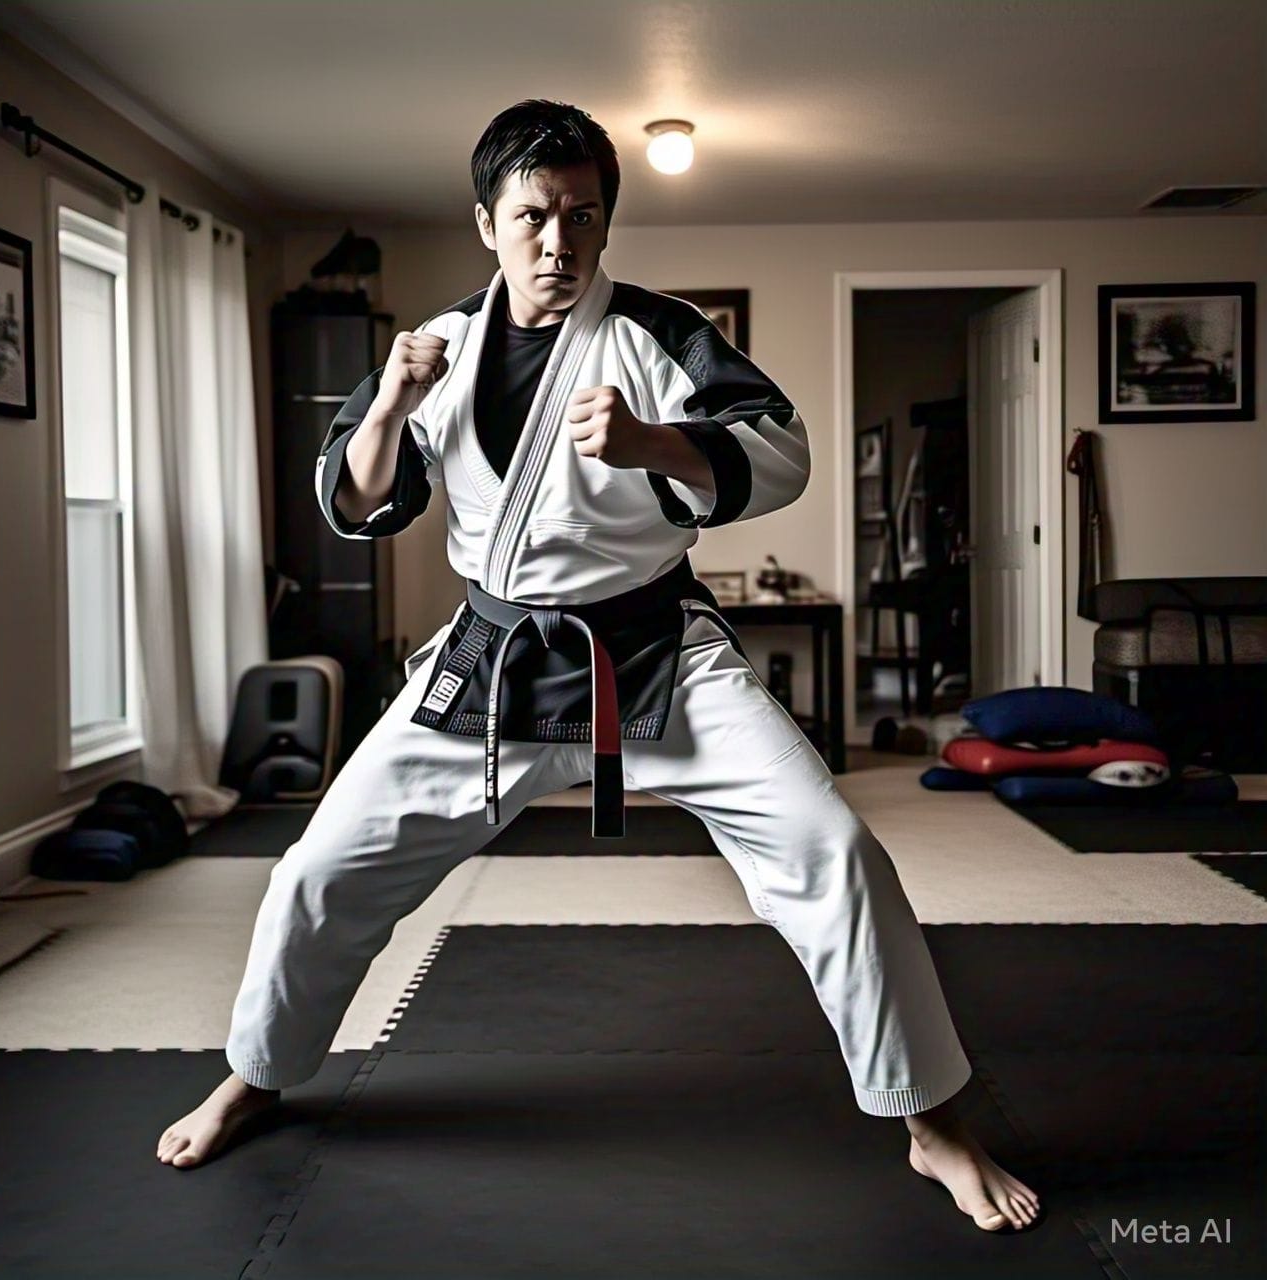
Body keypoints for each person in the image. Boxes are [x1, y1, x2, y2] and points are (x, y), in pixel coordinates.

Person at [157, 99, 1040, 1234]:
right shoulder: (438, 348)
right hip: (494, 654)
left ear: (606, 219)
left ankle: (932, 1122)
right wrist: (386, 400)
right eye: (532, 214)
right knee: (318, 868)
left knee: (835, 848)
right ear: (486, 222)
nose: (557, 240)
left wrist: (648, 444)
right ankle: (258, 1071)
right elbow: (357, 494)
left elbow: (779, 452)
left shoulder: (660, 336)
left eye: (581, 214)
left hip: (653, 647)